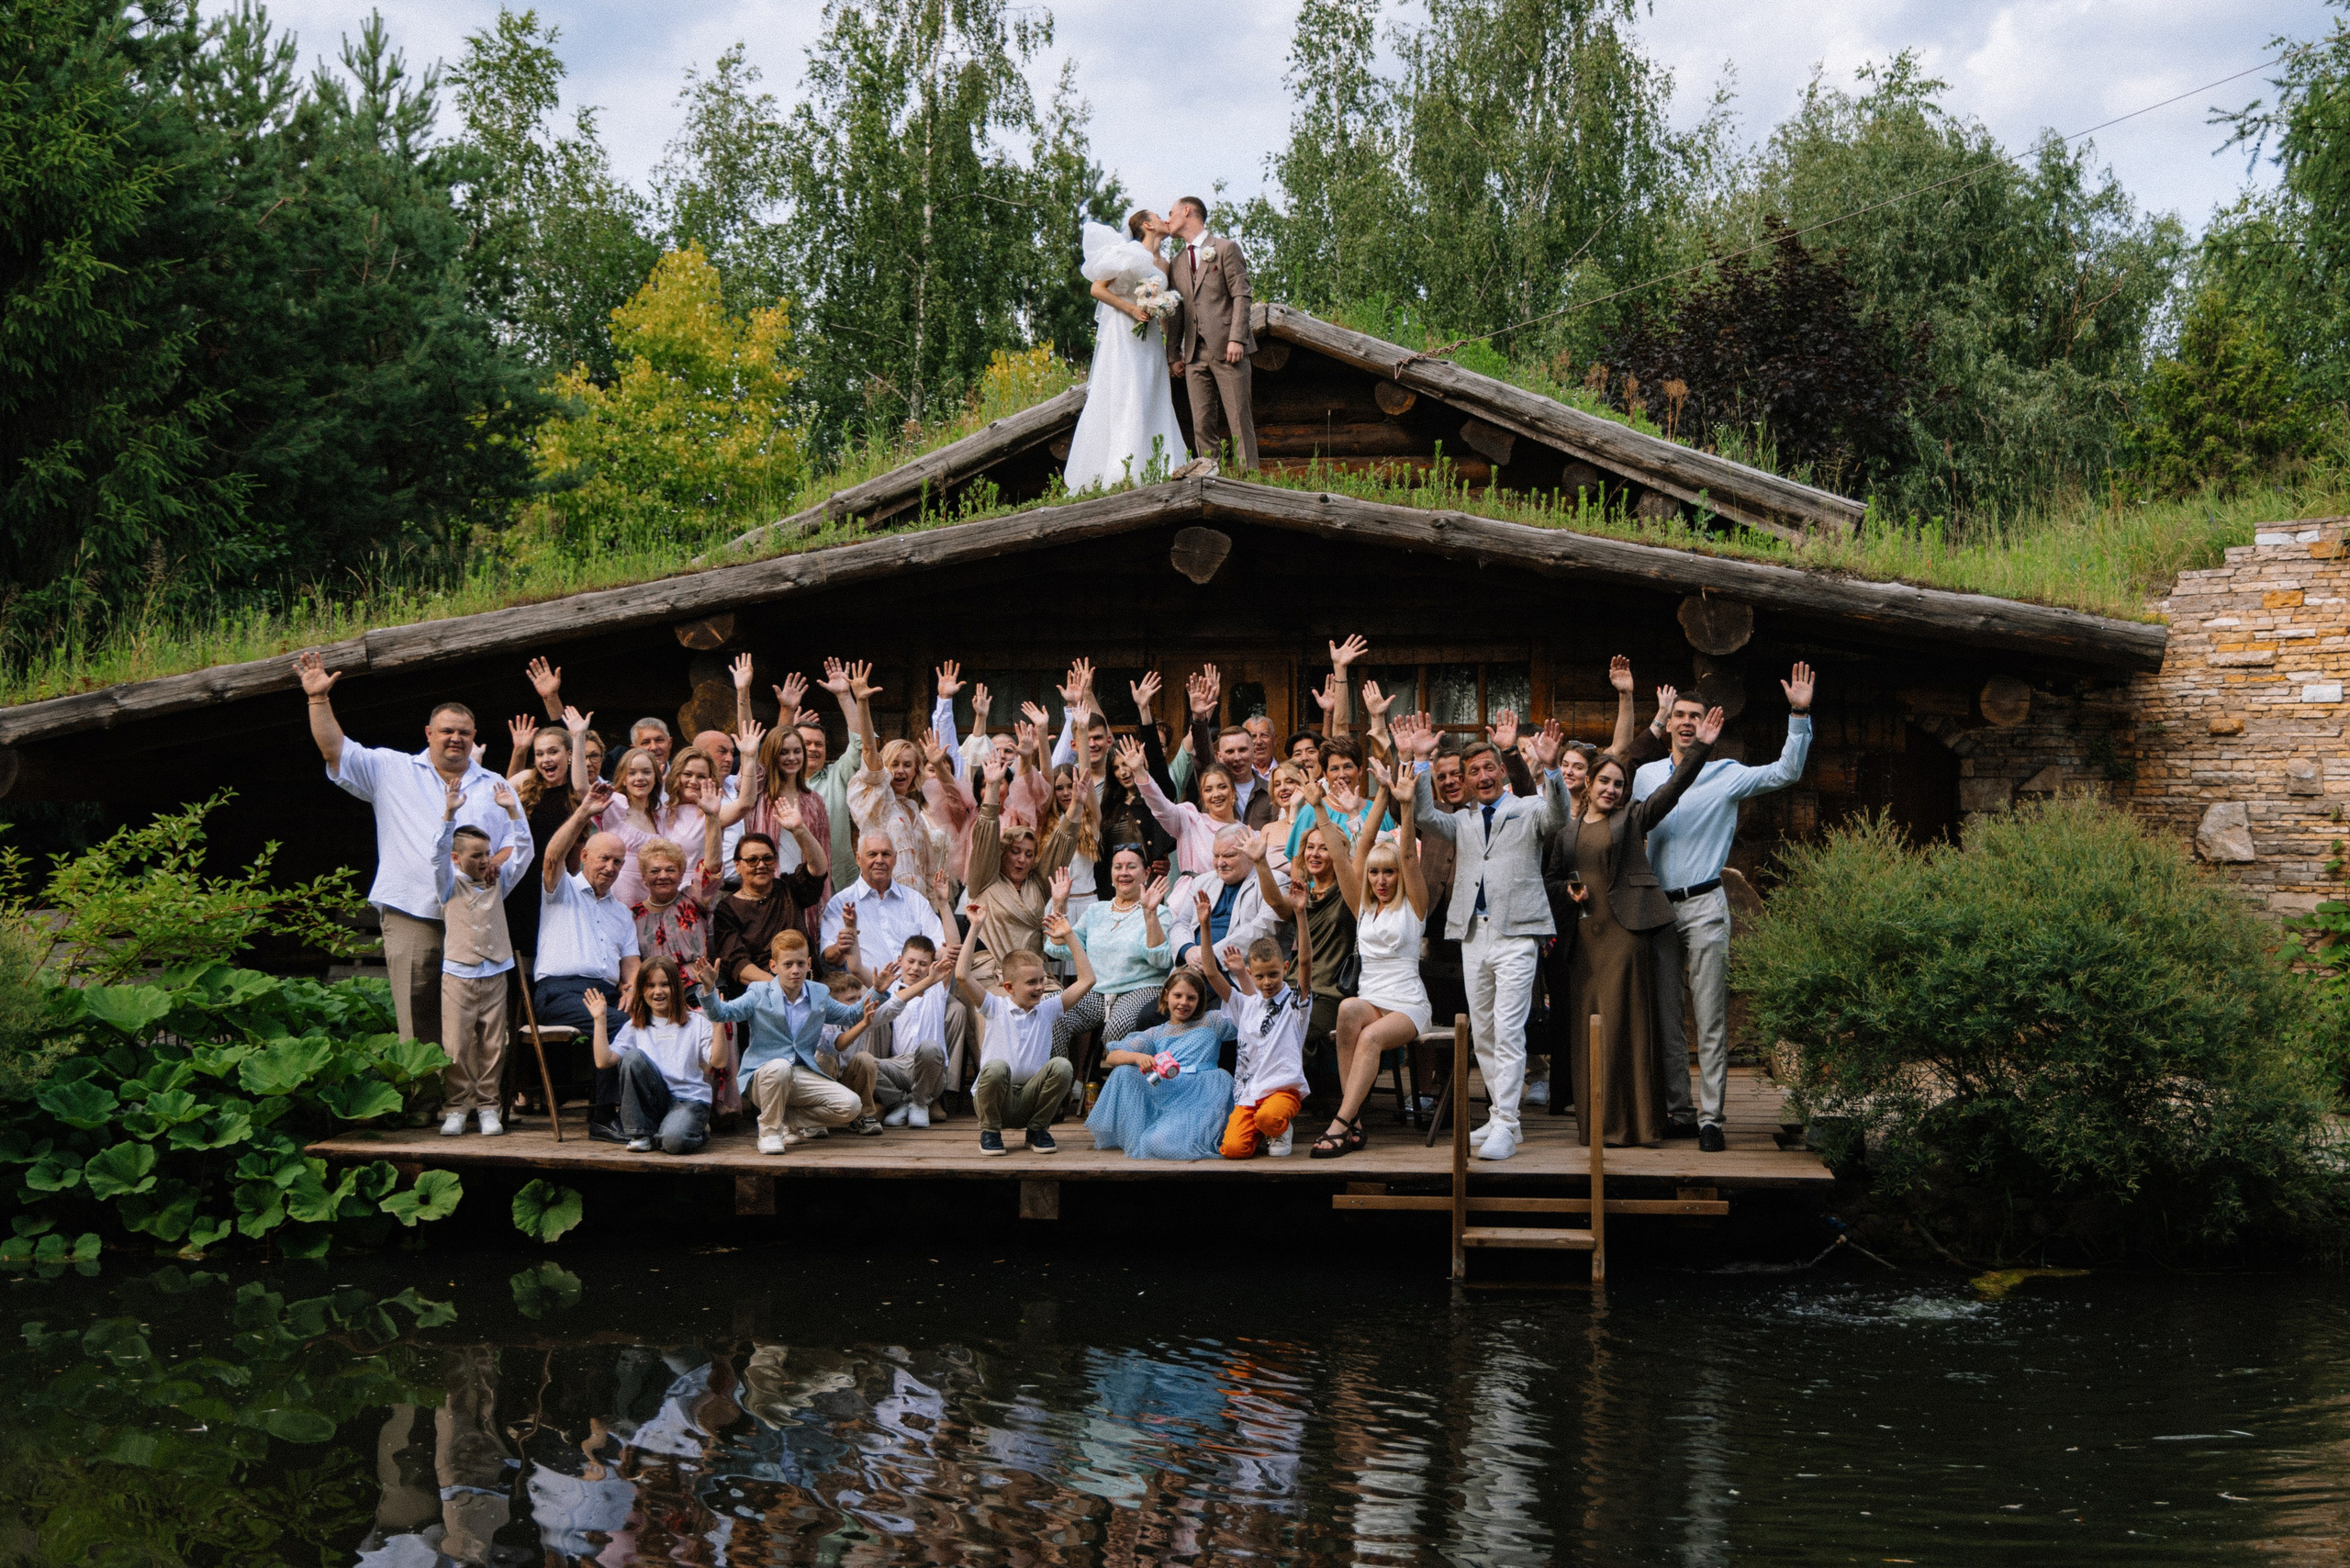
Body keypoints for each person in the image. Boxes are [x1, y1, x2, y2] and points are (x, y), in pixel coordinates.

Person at [1635, 662, 1817, 1149]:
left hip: (1705, 904)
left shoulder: (1725, 774)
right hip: (1656, 908)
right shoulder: (1646, 775)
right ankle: (1679, 1110)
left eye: (1697, 714)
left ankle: (1712, 1117)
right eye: (1681, 714)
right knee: (1668, 1015)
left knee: (1710, 1013)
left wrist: (1798, 716)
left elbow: (1786, 772)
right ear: (1669, 722)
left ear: (1706, 725)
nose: (1688, 721)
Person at [296, 651, 517, 1046]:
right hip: (414, 911)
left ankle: (467, 1103)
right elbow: (336, 751)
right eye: (447, 730)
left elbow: (514, 842)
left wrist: (495, 863)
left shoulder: (494, 784)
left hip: (473, 914)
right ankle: (424, 1102)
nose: (456, 738)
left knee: (479, 1016)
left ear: (474, 737)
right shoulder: (391, 768)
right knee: (417, 1012)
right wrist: (318, 699)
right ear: (428, 733)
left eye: (465, 732)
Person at [1407, 719, 1572, 1162]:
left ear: (1501, 770)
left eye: (1487, 769)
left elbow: (1560, 815)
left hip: (1517, 933)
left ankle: (1505, 1123)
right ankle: (1504, 1117)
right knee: (1483, 1032)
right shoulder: (1461, 820)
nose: (1480, 777)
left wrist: (1552, 769)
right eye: (1472, 772)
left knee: (1509, 1030)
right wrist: (1421, 762)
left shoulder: (1529, 808)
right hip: (1472, 933)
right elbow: (1422, 815)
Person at [1561, 708, 1724, 1148]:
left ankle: (1637, 1124)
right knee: (1590, 1026)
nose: (1612, 789)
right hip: (1587, 941)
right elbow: (1554, 877)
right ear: (1588, 785)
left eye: (1618, 784)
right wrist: (1568, 891)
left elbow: (1670, 791)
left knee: (1625, 1027)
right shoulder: (1567, 832)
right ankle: (1597, 1121)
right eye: (1605, 782)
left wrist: (1701, 749)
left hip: (1626, 934)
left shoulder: (1632, 818)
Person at [1309, 763, 1428, 1159]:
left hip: (1407, 1006)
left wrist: (1405, 806)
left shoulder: (1413, 907)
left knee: (1371, 1036)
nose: (1381, 880)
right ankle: (1355, 1122)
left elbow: (1409, 855)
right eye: (1375, 873)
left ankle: (1340, 1123)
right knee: (1347, 1011)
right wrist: (1321, 811)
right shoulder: (1362, 907)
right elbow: (1350, 854)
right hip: (1371, 999)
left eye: (1388, 873)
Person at [693, 932, 878, 1153]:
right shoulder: (758, 992)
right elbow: (723, 1013)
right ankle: (769, 1131)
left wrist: (880, 990)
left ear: (809, 963)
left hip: (801, 1074)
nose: (795, 970)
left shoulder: (818, 994)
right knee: (780, 1066)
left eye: (801, 963)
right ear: (774, 966)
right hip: (764, 1077)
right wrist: (708, 988)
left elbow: (851, 1015)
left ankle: (788, 1119)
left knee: (851, 1106)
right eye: (788, 964)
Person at [534, 781, 642, 1136]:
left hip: (607, 993)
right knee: (617, 1025)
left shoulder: (622, 913)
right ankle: (601, 1116)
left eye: (617, 862)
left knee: (651, 1020)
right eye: (604, 859)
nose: (610, 867)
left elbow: (631, 962)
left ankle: (645, 1108)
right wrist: (584, 811)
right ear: (583, 857)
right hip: (560, 993)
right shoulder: (561, 890)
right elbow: (551, 856)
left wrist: (632, 988)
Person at [432, 774, 533, 1137]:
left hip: (494, 972)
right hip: (458, 973)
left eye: (488, 853)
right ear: (459, 858)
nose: (486, 860)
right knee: (457, 1044)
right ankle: (458, 1106)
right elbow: (438, 855)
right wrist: (449, 814)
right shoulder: (448, 883)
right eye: (477, 855)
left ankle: (490, 1105)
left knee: (495, 1042)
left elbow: (523, 850)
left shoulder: (498, 881)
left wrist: (512, 811)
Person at [1065, 211, 1190, 488]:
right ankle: (1123, 470)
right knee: (1129, 392)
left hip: (1151, 338)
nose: (1164, 219)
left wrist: (1172, 350)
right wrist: (1132, 308)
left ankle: (1160, 464)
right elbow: (1097, 289)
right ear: (1147, 225)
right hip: (1124, 331)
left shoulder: (1164, 264)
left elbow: (1165, 311)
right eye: (1158, 216)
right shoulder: (1127, 252)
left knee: (1152, 392)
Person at [952, 914, 1092, 1156]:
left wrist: (1069, 935)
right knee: (996, 1068)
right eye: (1031, 982)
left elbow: (1087, 980)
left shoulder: (1048, 1009)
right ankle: (990, 1131)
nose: (1039, 987)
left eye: (1042, 980)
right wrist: (975, 927)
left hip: (1030, 1099)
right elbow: (963, 976)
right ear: (1009, 987)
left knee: (1062, 1066)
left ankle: (1037, 1130)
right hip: (997, 1101)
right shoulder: (994, 1006)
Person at [1198, 886, 1312, 1159]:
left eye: (1273, 974)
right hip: (1250, 1092)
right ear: (1250, 973)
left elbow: (1306, 963)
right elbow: (1212, 974)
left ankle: (1278, 1127)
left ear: (1285, 968)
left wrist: (1300, 913)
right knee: (1233, 1150)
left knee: (1269, 1118)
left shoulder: (1295, 1003)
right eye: (1259, 977)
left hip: (1282, 1089)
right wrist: (1205, 926)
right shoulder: (1246, 1004)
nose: (1267, 982)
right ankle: (1260, 1127)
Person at [1084, 967, 1237, 1160]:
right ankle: (1149, 1127)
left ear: (1199, 1001)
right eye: (1178, 995)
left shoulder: (1212, 1021)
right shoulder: (1157, 1033)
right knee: (1123, 1072)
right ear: (1166, 995)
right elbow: (1112, 1056)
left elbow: (1245, 1015)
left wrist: (1239, 974)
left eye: (1191, 998)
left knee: (1157, 1142)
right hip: (1169, 1089)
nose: (1183, 1002)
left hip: (1203, 1093)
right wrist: (1138, 1057)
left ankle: (1178, 1134)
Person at [964, 754, 1084, 985]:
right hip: (993, 975)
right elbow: (985, 834)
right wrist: (991, 788)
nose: (1022, 860)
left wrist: (1077, 805)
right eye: (1015, 852)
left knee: (1057, 1007)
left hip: (1035, 977)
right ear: (1002, 854)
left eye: (1029, 854)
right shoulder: (985, 880)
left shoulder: (1037, 883)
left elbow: (1062, 843)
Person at [585, 959, 720, 1156]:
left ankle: (695, 1129)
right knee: (631, 1058)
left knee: (673, 1142)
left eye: (665, 984)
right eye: (651, 985)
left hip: (688, 1100)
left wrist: (718, 1021)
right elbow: (603, 1061)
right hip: (654, 1102)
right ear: (641, 990)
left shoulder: (696, 1023)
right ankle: (641, 1135)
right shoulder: (635, 1026)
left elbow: (718, 1061)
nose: (658, 992)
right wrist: (599, 1019)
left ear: (676, 987)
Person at [1046, 850, 1174, 1055]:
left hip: (1141, 989)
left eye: (1131, 867)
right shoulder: (1096, 910)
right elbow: (1061, 949)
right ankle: (1058, 1078)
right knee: (1049, 1011)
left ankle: (1117, 1083)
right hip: (1096, 991)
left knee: (1117, 1028)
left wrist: (1150, 913)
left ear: (1146, 873)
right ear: (1112, 874)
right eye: (1118, 867)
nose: (1124, 872)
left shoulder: (1161, 912)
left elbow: (1160, 960)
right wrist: (1060, 903)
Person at [1164, 196, 1259, 471]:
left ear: (1187, 211)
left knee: (1240, 419)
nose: (1167, 219)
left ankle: (1250, 483)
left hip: (1229, 349)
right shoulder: (1177, 262)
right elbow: (1177, 312)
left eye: (1171, 213)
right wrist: (1173, 354)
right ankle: (1210, 478)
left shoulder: (1226, 248)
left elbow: (1242, 294)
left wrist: (1237, 338)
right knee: (1201, 423)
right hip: (1194, 354)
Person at [712, 815, 830, 994]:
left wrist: (799, 829)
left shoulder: (789, 888)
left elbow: (818, 869)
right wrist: (783, 987)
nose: (761, 865)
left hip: (807, 985)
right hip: (762, 995)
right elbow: (738, 964)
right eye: (752, 860)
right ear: (737, 865)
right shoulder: (727, 909)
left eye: (767, 859)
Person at [820, 833, 950, 982]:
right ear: (858, 859)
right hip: (866, 990)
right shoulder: (841, 902)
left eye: (886, 854)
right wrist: (840, 947)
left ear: (895, 859)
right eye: (872, 854)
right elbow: (828, 956)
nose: (879, 860)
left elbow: (940, 947)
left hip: (915, 988)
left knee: (956, 1007)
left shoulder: (915, 900)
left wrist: (948, 953)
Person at [1167, 825, 1286, 980]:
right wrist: (1187, 950)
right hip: (1190, 972)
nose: (1220, 863)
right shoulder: (1202, 881)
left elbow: (1263, 928)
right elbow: (1179, 923)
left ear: (1250, 854)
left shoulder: (1276, 881)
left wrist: (1209, 957)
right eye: (1216, 856)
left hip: (1236, 978)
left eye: (1229, 856)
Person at [866, 934, 958, 1126]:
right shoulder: (892, 991)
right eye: (911, 961)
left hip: (930, 1068)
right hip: (899, 1066)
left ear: (932, 964)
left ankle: (919, 1103)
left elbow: (953, 948)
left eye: (923, 964)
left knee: (930, 1047)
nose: (916, 968)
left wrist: (942, 904)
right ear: (900, 961)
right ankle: (900, 1102)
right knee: (865, 1064)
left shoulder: (937, 988)